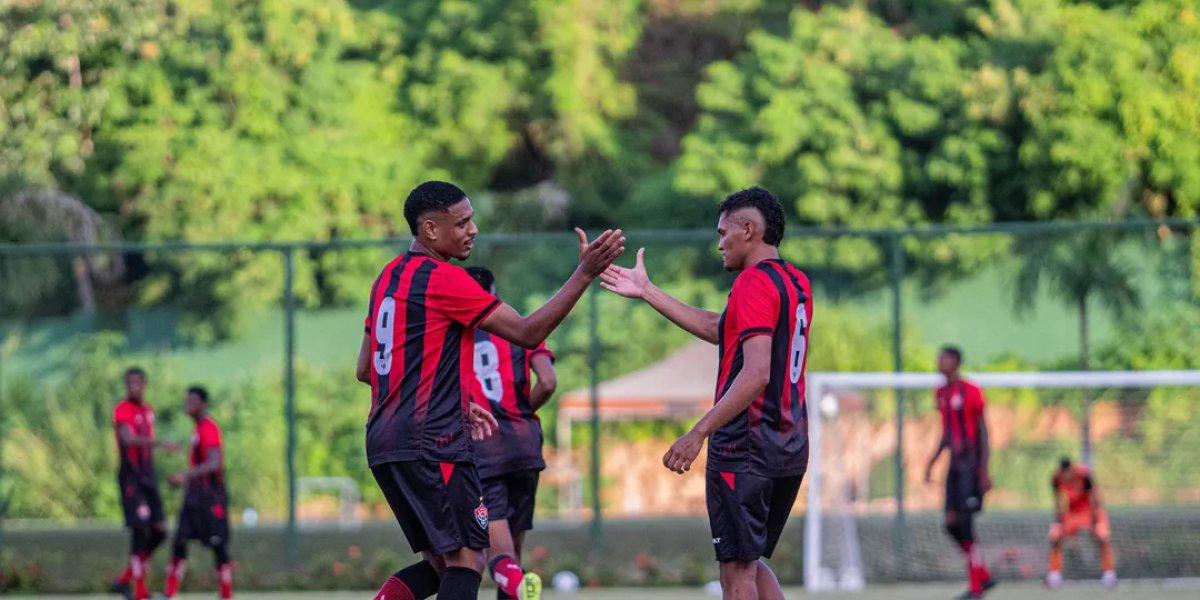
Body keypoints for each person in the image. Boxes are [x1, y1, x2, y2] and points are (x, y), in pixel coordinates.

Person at [356, 180, 623, 600]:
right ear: (430, 229)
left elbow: (365, 369)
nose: (473, 229)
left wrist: (454, 400)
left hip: (384, 441)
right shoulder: (446, 279)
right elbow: (528, 332)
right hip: (433, 442)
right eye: (462, 223)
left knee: (440, 564)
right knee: (468, 560)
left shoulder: (386, 278)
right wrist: (584, 273)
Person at [600, 186, 810, 600]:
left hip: (746, 445)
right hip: (788, 443)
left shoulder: (752, 283)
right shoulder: (794, 280)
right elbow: (721, 328)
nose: (719, 244)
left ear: (748, 230)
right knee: (750, 563)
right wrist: (647, 291)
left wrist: (698, 432)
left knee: (736, 573)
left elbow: (756, 374)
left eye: (723, 232)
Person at [465, 266, 558, 600]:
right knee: (514, 557)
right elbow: (548, 382)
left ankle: (522, 585)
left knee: (500, 556)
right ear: (495, 293)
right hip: (524, 443)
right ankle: (520, 585)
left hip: (482, 448)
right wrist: (522, 411)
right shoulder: (520, 327)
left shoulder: (456, 331)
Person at [923, 346, 997, 599]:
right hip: (954, 467)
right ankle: (983, 574)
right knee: (950, 524)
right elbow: (946, 433)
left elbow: (983, 433)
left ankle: (976, 587)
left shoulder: (971, 391)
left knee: (965, 524)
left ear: (955, 362)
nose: (939, 362)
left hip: (970, 466)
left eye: (943, 358)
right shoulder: (940, 393)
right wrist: (932, 462)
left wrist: (984, 471)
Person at [111, 367, 179, 600]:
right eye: (129, 383)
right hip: (131, 478)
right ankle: (140, 591)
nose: (133, 387)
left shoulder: (148, 411)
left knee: (160, 531)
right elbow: (128, 439)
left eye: (137, 382)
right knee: (140, 531)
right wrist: (160, 443)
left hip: (148, 477)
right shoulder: (122, 410)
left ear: (144, 384)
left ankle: (123, 579)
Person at [163, 386, 233, 599]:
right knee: (180, 541)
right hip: (195, 496)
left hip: (210, 496)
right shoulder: (198, 428)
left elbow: (215, 462)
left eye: (192, 401)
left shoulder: (209, 427)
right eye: (186, 401)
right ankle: (170, 593)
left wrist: (186, 476)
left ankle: (226, 594)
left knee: (218, 545)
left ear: (203, 404)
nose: (188, 405)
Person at [1046, 457, 1116, 589]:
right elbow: (1057, 498)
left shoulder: (1083, 475)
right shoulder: (1056, 477)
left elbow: (1094, 496)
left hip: (1090, 510)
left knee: (1103, 536)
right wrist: (1058, 517)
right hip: (1073, 512)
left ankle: (1109, 574)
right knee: (1054, 535)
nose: (1066, 477)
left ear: (1071, 470)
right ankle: (1054, 576)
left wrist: (1095, 519)